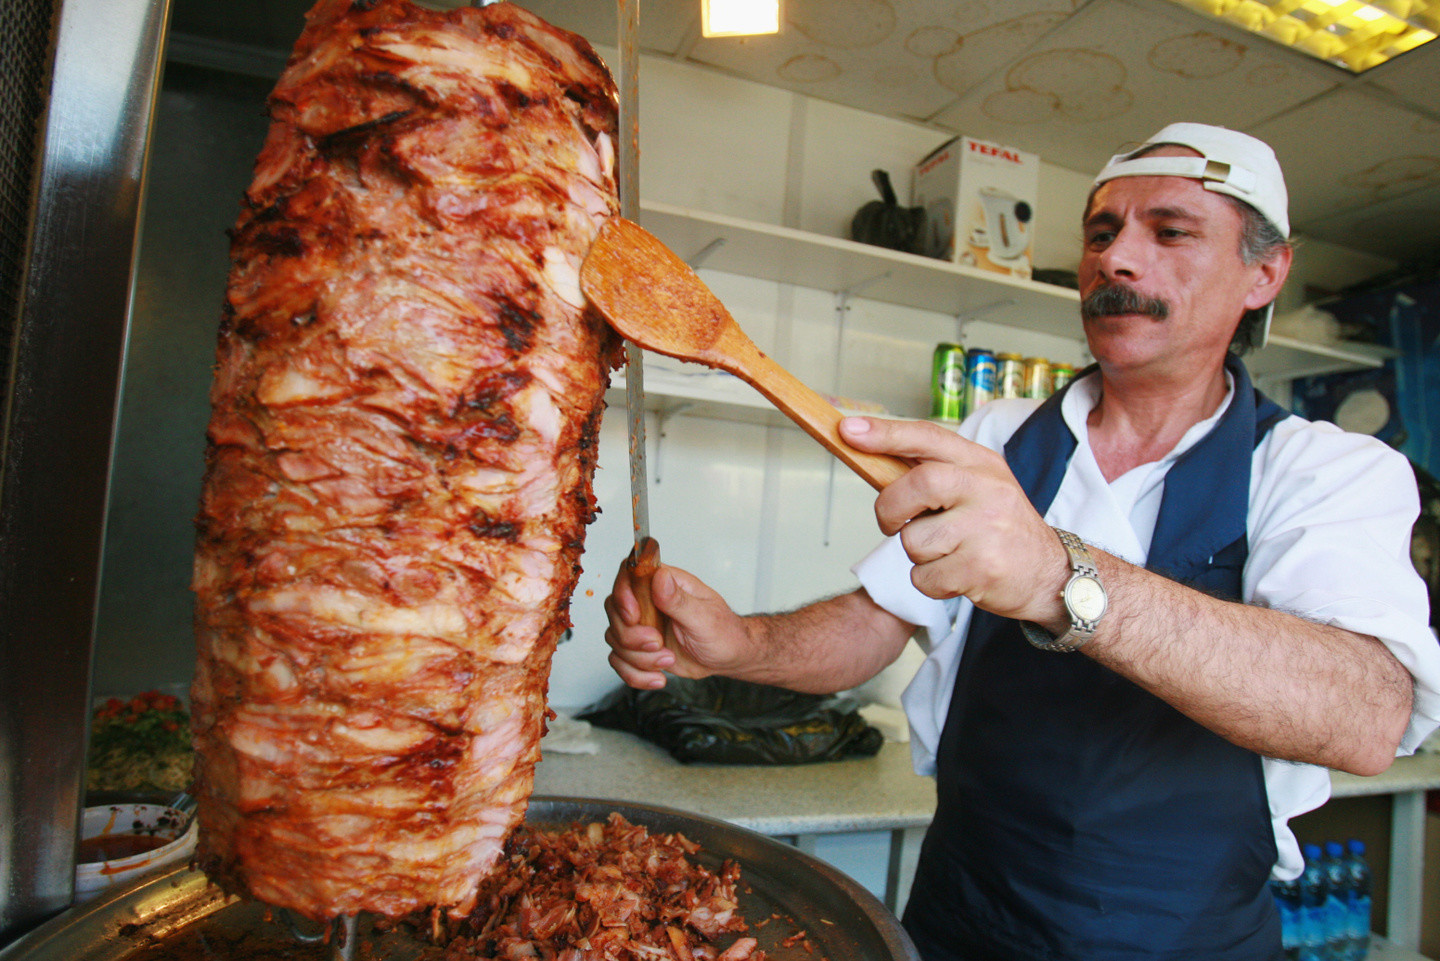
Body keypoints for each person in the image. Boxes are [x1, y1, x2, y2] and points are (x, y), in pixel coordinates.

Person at [602, 123, 1440, 960]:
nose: (1116, 258)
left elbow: (1365, 714)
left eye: (1170, 230)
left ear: (1265, 272)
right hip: (962, 920)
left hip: (1184, 940)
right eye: (1102, 232)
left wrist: (1058, 576)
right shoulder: (1000, 435)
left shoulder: (1324, 471)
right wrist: (739, 645)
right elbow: (876, 620)